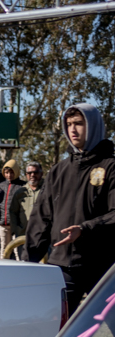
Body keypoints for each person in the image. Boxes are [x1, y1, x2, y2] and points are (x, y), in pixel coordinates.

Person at [26, 103, 115, 314]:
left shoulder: (110, 166)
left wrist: (85, 229)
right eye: (68, 124)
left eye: (78, 123)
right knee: (60, 328)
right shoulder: (58, 171)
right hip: (62, 266)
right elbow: (41, 218)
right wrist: (28, 262)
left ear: (93, 126)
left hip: (102, 267)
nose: (72, 130)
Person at [9, 162, 43, 259]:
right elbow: (13, 212)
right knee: (24, 263)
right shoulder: (20, 192)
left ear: (41, 173)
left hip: (43, 237)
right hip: (23, 236)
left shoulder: (48, 190)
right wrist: (16, 229)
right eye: (29, 173)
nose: (32, 175)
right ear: (26, 175)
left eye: (35, 172)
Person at [0, 159, 26, 254]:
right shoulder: (0, 186)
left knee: (18, 250)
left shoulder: (23, 186)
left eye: (11, 172)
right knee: (4, 249)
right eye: (6, 173)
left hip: (17, 224)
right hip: (3, 224)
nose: (9, 175)